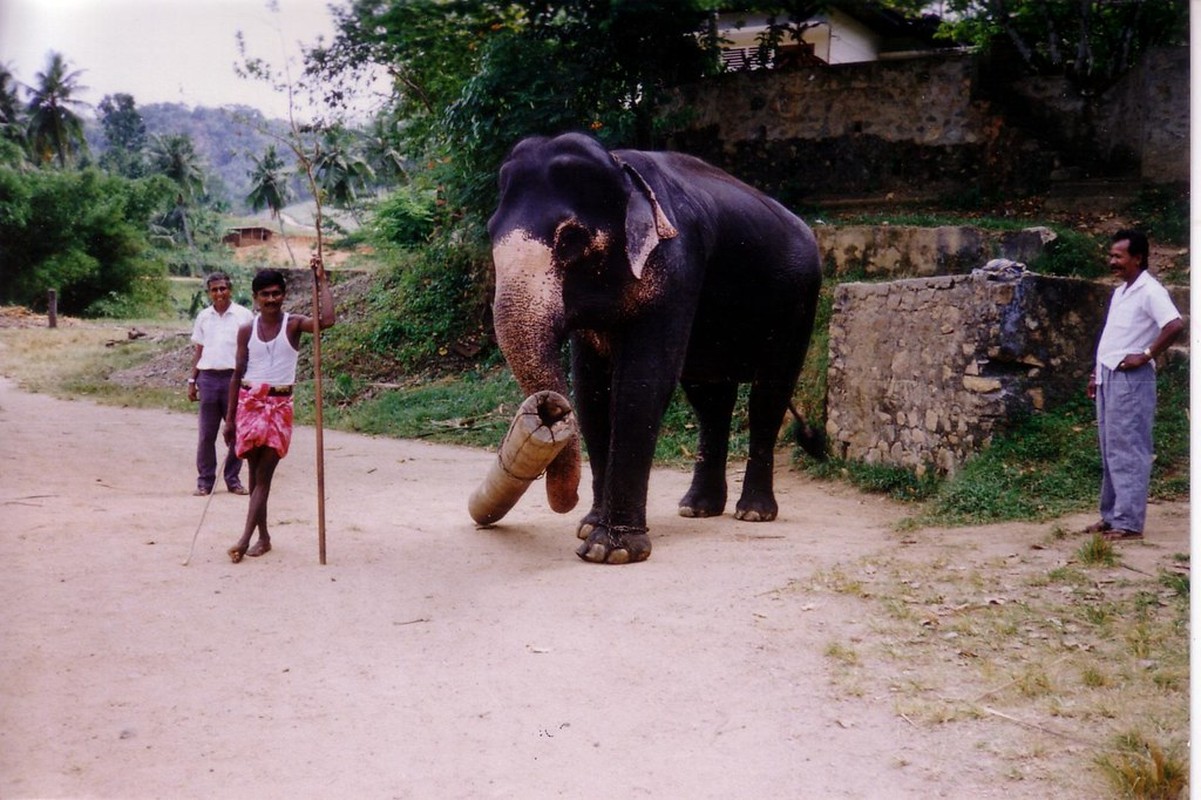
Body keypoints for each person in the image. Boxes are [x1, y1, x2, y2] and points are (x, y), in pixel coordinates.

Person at [224, 257, 335, 563]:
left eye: (276, 293)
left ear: (283, 295)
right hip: (249, 405)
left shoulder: (295, 323)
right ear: (256, 298)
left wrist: (322, 280)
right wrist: (230, 419)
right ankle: (263, 537)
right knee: (253, 474)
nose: (271, 299)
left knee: (264, 476)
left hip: (278, 407)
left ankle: (244, 540)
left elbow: (327, 321)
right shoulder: (246, 330)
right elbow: (236, 374)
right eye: (265, 295)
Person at [1084, 229, 1183, 541]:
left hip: (1131, 380)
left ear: (1137, 258)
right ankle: (1112, 515)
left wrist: (1146, 354)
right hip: (1108, 375)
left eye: (1119, 256)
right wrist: (1095, 374)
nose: (1112, 261)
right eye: (1111, 255)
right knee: (1110, 448)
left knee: (1129, 448)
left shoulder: (1150, 290)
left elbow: (1175, 324)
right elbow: (1114, 337)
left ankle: (1128, 523)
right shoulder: (1122, 292)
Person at [188, 272, 254, 496]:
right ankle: (205, 481)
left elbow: (251, 350)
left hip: (234, 380)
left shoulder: (244, 316)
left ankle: (233, 479)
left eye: (223, 289)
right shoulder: (204, 317)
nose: (219, 294)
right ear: (209, 293)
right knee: (207, 434)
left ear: (230, 289)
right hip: (208, 380)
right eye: (214, 290)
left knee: (235, 431)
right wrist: (192, 380)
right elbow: (199, 350)